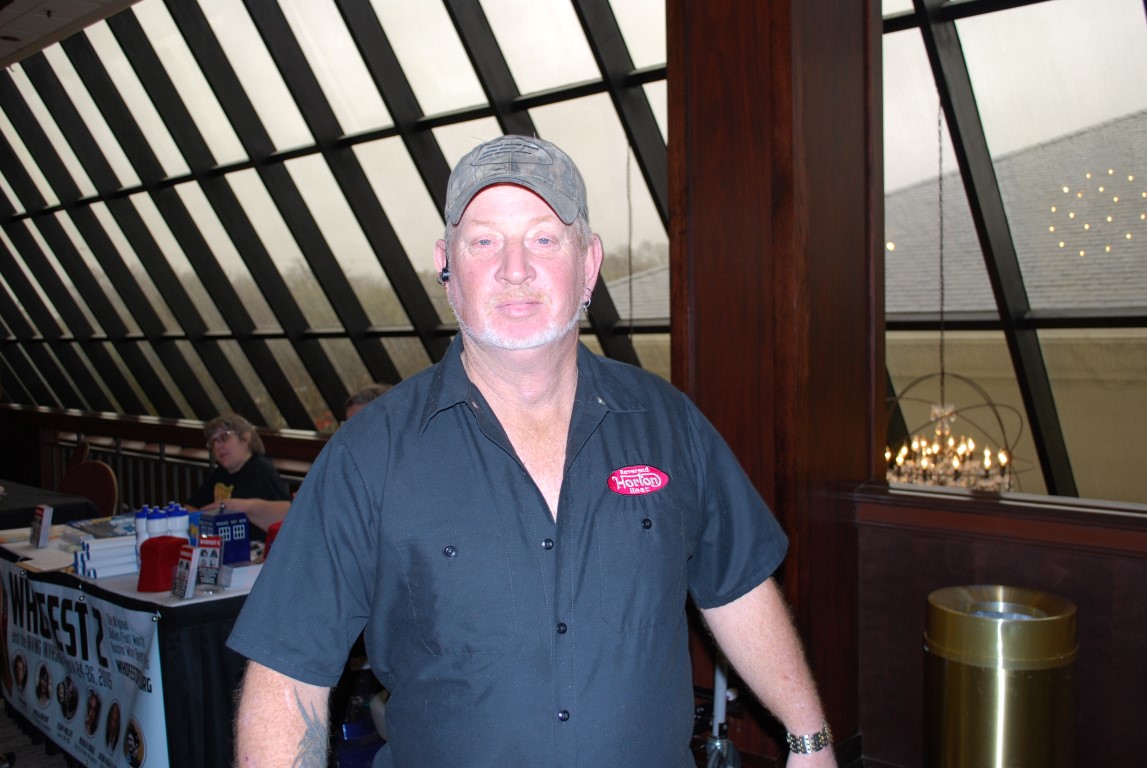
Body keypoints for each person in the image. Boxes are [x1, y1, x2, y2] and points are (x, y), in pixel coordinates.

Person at [229, 135, 836, 767]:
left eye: (544, 239)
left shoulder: (669, 424)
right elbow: (287, 679)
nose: (514, 269)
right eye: (484, 241)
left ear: (588, 263)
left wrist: (809, 739)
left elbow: (737, 588)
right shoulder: (366, 457)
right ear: (445, 266)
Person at [186, 414, 291, 536]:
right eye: (213, 442)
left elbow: (289, 517)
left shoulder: (262, 471)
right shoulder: (221, 473)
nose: (217, 446)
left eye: (224, 437)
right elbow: (190, 507)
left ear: (245, 437)